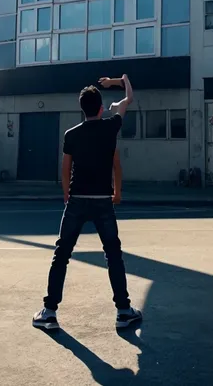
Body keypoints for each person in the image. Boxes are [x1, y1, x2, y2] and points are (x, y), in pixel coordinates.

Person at [32, 74, 143, 331]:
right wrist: (120, 79)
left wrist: (66, 195)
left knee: (62, 255)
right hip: (103, 200)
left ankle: (49, 312)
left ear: (81, 109)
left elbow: (65, 169)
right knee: (113, 254)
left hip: (77, 200)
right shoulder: (111, 126)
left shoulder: (71, 134)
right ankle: (123, 311)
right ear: (101, 108)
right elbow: (129, 97)